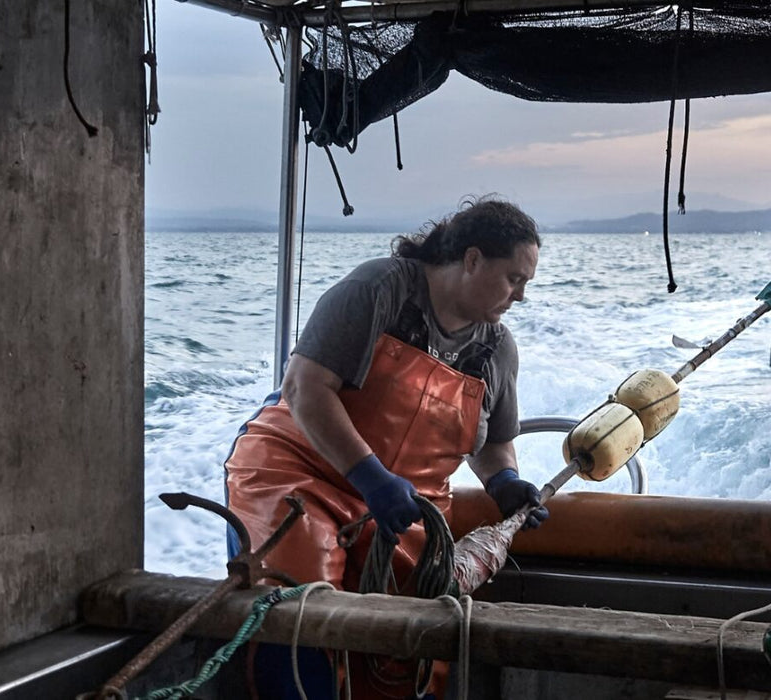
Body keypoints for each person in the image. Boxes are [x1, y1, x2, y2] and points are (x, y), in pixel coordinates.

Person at [222, 196, 548, 698]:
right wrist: (369, 476)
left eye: (525, 283)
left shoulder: (497, 349)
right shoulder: (380, 290)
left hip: (402, 510)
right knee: (299, 607)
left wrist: (503, 480)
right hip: (300, 473)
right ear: (473, 259)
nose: (520, 296)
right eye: (513, 279)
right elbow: (305, 388)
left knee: (407, 640)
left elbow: (494, 443)